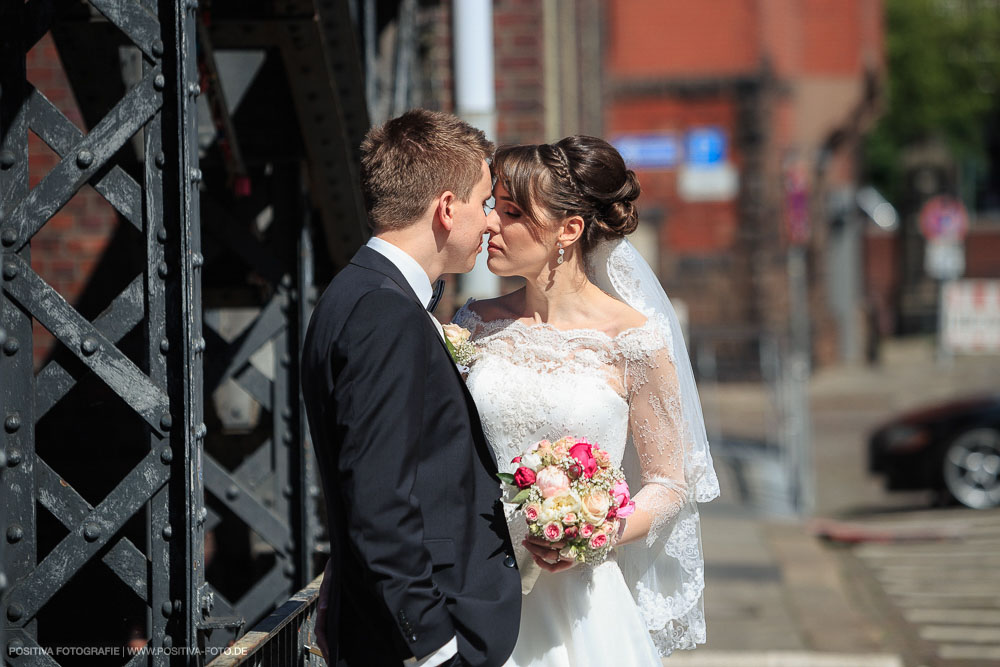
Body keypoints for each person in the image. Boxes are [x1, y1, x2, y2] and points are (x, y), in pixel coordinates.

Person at [451, 136, 720, 666]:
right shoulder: (473, 324)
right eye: (491, 208)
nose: (490, 226)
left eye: (510, 212)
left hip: (580, 600)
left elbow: (668, 483)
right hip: (478, 582)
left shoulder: (636, 341)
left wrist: (594, 530)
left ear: (568, 231)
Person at [301, 109, 521, 667]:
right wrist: (434, 648)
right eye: (485, 202)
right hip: (419, 642)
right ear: (447, 208)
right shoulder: (384, 313)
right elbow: (379, 500)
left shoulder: (356, 293)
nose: (490, 223)